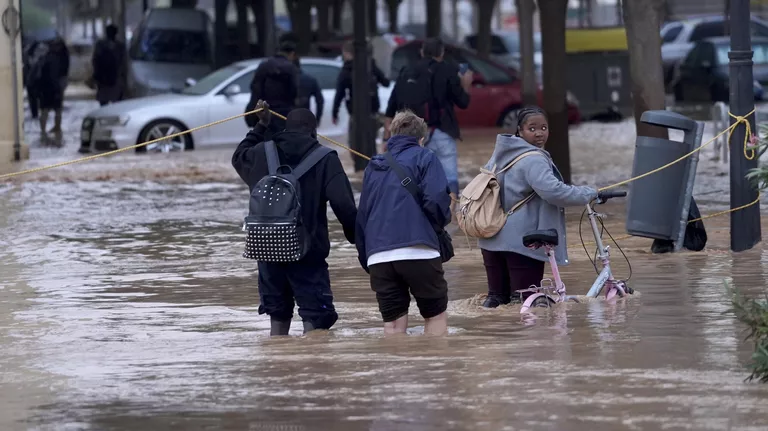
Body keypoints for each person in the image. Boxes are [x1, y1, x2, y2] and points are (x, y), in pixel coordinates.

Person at [232, 101, 358, 335]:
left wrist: (260, 126)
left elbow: (238, 156)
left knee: (278, 316)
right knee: (316, 320)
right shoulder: (325, 158)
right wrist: (358, 240)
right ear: (313, 132)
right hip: (308, 254)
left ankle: (279, 365)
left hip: (268, 251)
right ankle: (310, 367)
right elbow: (344, 206)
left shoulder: (261, 152)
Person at [477, 106, 597, 308]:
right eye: (532, 129)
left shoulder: (498, 156)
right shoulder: (534, 159)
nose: (539, 133)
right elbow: (554, 192)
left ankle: (492, 338)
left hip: (490, 238)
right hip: (523, 243)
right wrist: (590, 193)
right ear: (520, 131)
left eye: (544, 127)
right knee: (527, 304)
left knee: (496, 303)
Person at [355, 110, 452, 336]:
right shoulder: (426, 157)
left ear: (391, 134)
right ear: (421, 139)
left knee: (393, 325)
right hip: (419, 251)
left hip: (379, 256)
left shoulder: (374, 165)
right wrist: (439, 226)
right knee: (435, 316)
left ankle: (397, 369)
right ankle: (438, 370)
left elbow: (363, 215)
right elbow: (436, 201)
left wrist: (367, 257)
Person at [385, 37, 472, 203]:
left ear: (422, 52)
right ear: (442, 53)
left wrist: (387, 138)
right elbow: (463, 102)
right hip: (441, 130)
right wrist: (465, 85)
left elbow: (391, 107)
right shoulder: (448, 71)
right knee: (449, 175)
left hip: (411, 135)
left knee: (416, 176)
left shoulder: (406, 71)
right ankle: (451, 215)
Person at [331, 40, 390, 162]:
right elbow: (386, 82)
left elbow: (340, 93)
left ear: (347, 53)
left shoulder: (346, 70)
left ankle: (360, 164)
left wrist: (334, 112)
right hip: (372, 111)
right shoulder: (370, 66)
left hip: (355, 113)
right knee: (371, 141)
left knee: (354, 143)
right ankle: (373, 163)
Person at [244, 41, 299, 133]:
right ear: (292, 54)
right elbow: (294, 91)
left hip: (264, 112)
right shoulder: (291, 67)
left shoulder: (263, 65)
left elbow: (255, 89)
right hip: (283, 113)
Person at [38, 37, 69, 137]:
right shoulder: (60, 57)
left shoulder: (49, 57)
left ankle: (46, 130)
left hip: (48, 88)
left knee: (46, 110)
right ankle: (53, 128)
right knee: (54, 109)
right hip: (52, 88)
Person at [91, 24, 127, 107]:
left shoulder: (100, 45)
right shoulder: (120, 46)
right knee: (117, 104)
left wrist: (95, 75)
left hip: (102, 80)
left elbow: (95, 61)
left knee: (103, 103)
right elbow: (123, 64)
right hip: (115, 79)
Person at [293, 57, 324, 125]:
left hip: (286, 118)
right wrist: (317, 119)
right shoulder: (310, 80)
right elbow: (320, 100)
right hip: (305, 118)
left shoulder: (283, 80)